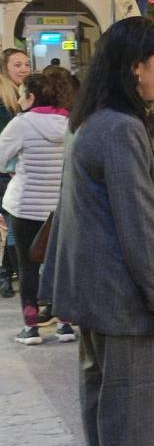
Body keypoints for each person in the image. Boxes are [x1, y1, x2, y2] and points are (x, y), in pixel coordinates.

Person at [40, 16, 154, 446]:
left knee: (107, 413)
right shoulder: (123, 128)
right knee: (134, 420)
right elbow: (139, 224)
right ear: (135, 68)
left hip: (94, 296)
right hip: (127, 301)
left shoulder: (92, 119)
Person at [5, 71, 73, 344]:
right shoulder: (70, 123)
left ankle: (31, 327)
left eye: (22, 94)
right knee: (62, 265)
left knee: (27, 266)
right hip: (60, 208)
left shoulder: (21, 124)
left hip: (26, 208)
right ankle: (65, 325)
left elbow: (0, 158)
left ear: (31, 97)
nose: (20, 99)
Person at [0, 48, 31, 298]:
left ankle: (9, 275)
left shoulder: (21, 94)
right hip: (6, 171)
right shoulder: (5, 98)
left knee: (10, 225)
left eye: (26, 64)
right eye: (17, 65)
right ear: (5, 68)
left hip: (13, 171)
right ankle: (9, 275)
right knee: (9, 225)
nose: (23, 69)